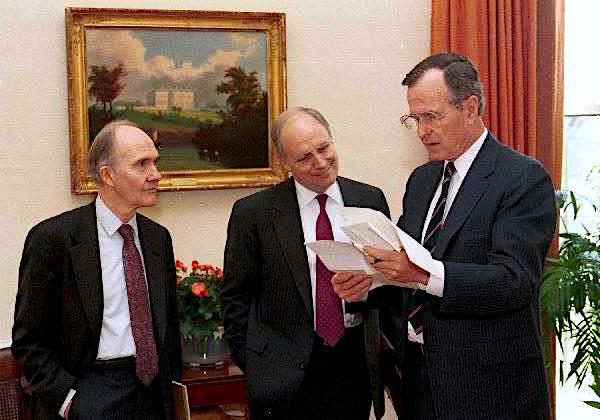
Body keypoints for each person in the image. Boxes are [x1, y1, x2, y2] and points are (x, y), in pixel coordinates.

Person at [332, 52, 556, 419]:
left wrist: (422, 274)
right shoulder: (422, 181)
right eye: (414, 119)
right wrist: (370, 278)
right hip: (421, 379)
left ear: (470, 107)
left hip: (492, 389)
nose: (422, 131)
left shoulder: (521, 178)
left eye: (432, 116)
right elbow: (403, 257)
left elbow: (514, 281)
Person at [221, 107, 390, 419]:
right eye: (304, 157)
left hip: (351, 366)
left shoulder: (370, 200)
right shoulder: (254, 214)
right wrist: (257, 364)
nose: (321, 162)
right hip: (281, 375)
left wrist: (367, 290)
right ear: (285, 163)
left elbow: (391, 284)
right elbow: (235, 298)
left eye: (324, 148)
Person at [12, 120, 182, 419]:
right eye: (141, 165)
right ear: (108, 175)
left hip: (152, 393)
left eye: (155, 162)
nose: (155, 175)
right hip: (90, 390)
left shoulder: (158, 238)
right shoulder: (54, 240)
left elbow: (167, 329)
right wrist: (68, 402)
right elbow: (30, 340)